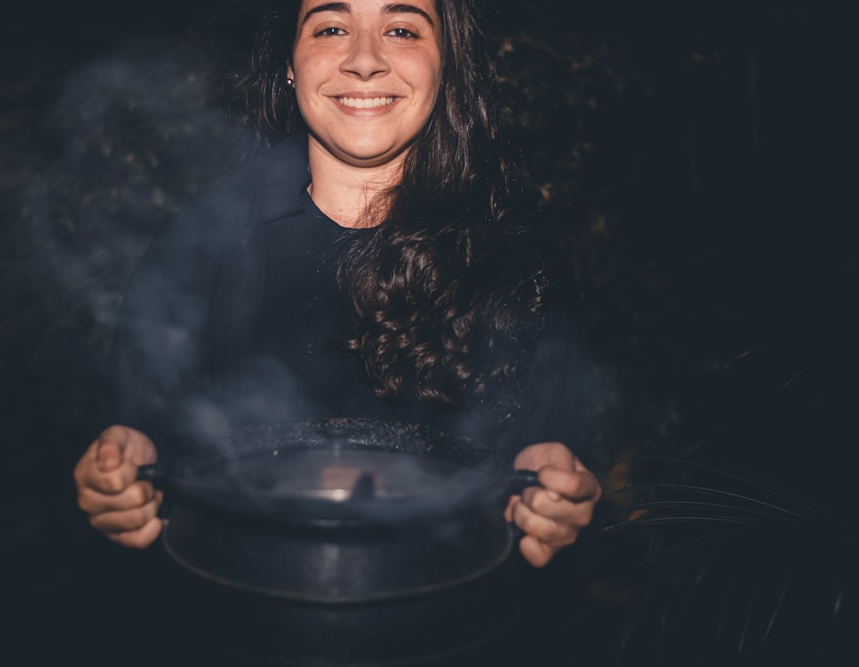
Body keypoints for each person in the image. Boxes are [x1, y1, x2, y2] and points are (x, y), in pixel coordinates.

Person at [74, 0, 602, 569]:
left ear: (446, 62)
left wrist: (554, 486)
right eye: (331, 27)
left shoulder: (518, 256)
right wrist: (125, 471)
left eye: (401, 29)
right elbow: (137, 427)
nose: (365, 59)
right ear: (289, 63)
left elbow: (552, 449)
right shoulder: (197, 247)